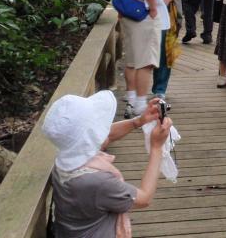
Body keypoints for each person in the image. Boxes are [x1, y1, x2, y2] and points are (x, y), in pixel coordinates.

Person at [42, 90, 171, 238]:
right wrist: (157, 148)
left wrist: (139, 121)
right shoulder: (97, 182)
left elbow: (107, 135)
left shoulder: (63, 160)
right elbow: (144, 198)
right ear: (89, 138)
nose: (103, 128)